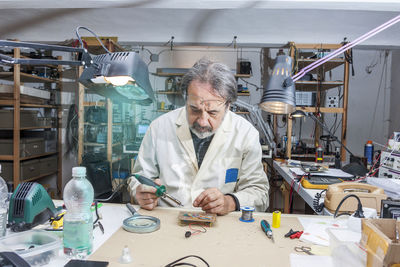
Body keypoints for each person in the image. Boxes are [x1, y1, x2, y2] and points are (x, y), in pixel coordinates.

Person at [128, 58, 269, 215]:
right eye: (194, 109)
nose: (202, 121)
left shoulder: (245, 134)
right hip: (167, 221)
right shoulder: (159, 128)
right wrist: (139, 193)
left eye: (212, 112)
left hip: (220, 225)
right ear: (185, 98)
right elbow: (138, 178)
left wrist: (230, 202)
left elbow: (260, 192)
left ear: (228, 105)